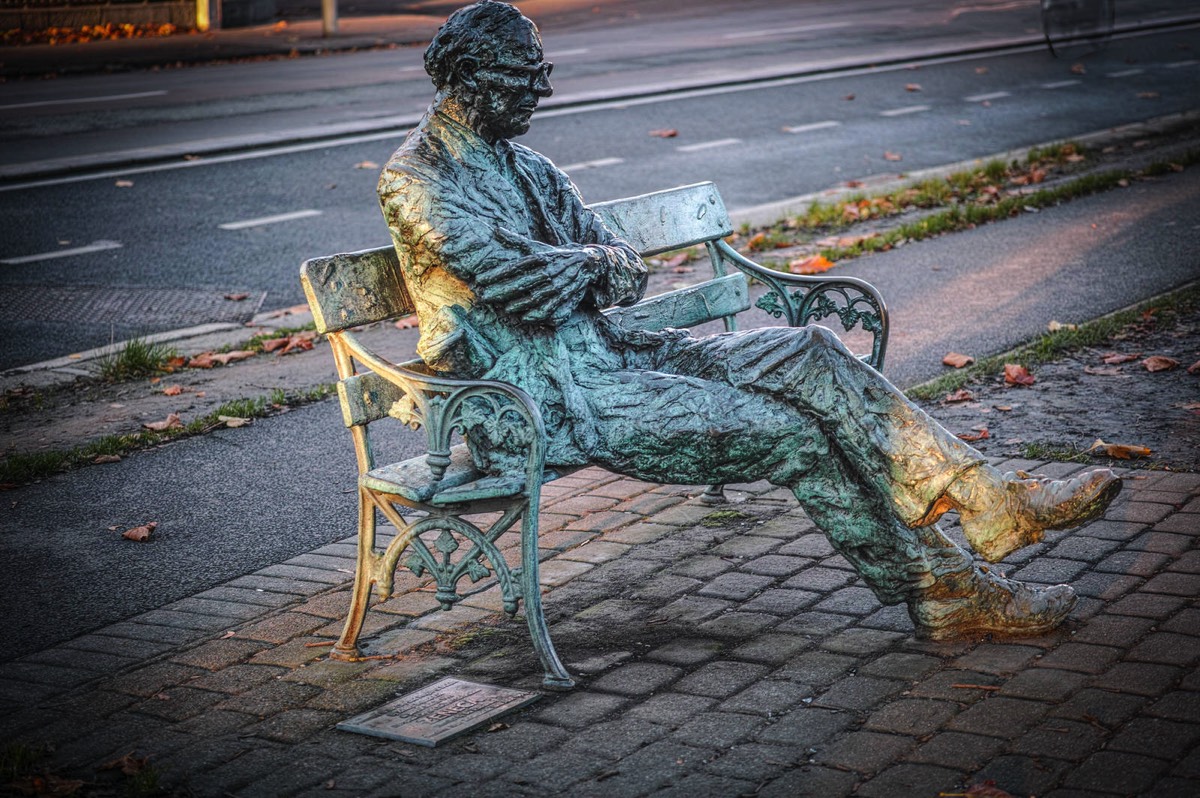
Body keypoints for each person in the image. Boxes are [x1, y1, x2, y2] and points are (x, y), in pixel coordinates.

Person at [377, 0, 1121, 639]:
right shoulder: (418, 178)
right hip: (534, 402)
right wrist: (590, 269)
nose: (543, 94)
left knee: (811, 351)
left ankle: (989, 494)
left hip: (616, 355)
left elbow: (624, 269)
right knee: (796, 433)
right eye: (527, 80)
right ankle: (947, 591)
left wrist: (590, 270)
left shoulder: (531, 169)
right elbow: (522, 286)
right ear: (472, 79)